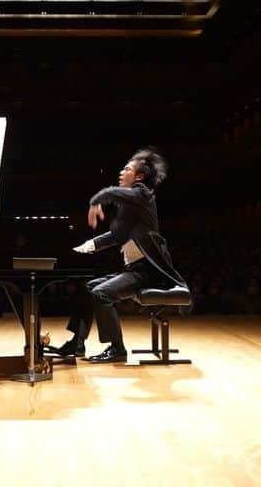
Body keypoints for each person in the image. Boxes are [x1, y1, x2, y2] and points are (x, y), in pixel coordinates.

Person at [56, 148, 186, 363]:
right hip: (135, 270)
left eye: (126, 169)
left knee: (101, 294)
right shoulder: (131, 205)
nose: (120, 172)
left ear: (139, 177)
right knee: (89, 288)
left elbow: (108, 193)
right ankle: (77, 343)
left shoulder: (142, 194)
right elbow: (118, 235)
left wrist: (95, 201)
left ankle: (117, 348)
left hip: (149, 272)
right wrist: (90, 245)